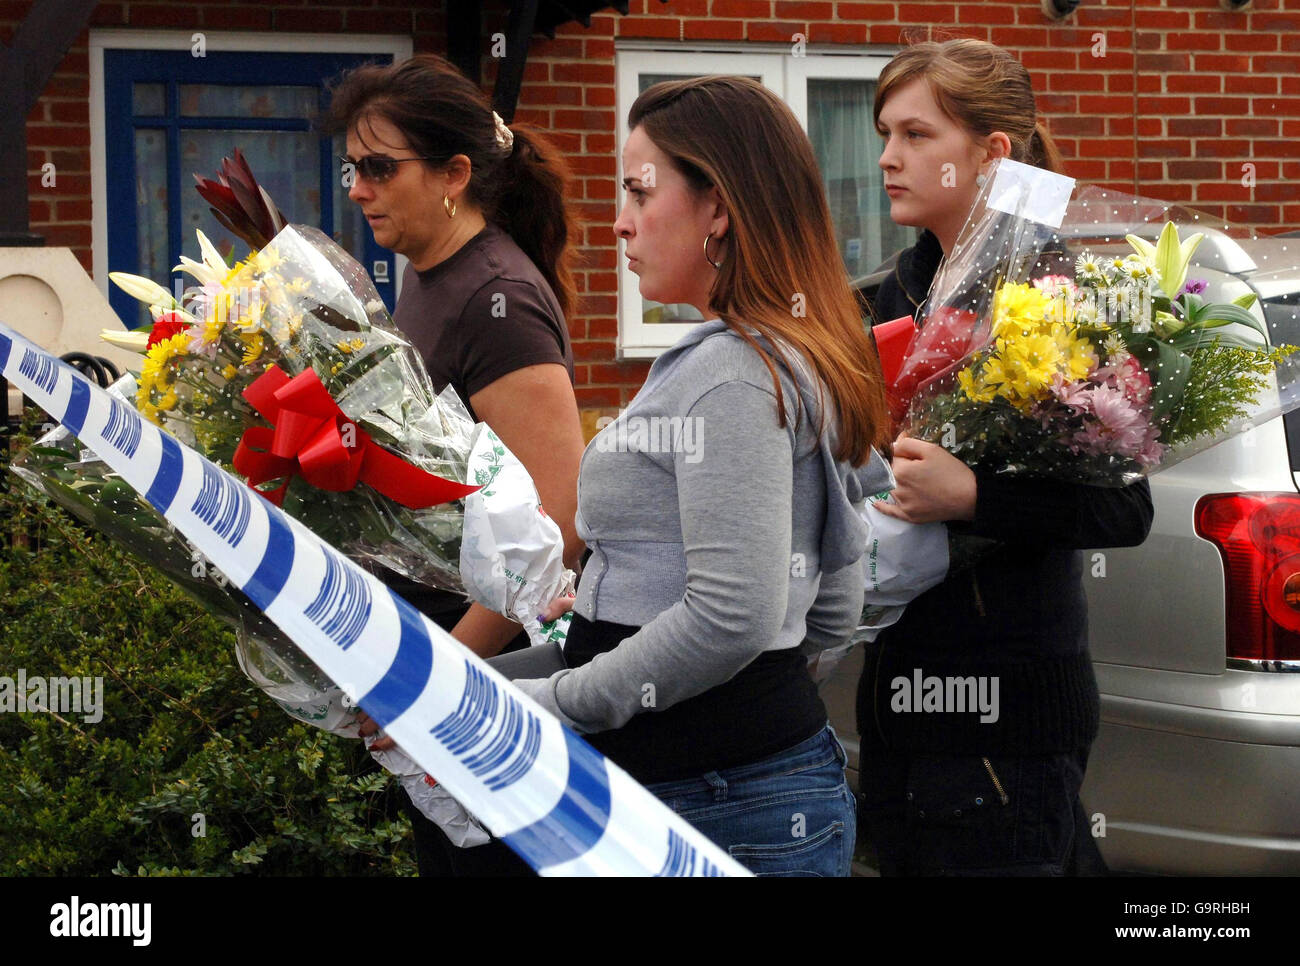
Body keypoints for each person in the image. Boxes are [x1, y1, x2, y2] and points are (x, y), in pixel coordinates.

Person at [513, 76, 894, 877]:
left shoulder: (733, 373)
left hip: (715, 797)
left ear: (718, 206)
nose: (618, 222)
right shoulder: (774, 350)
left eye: (638, 191)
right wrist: (610, 600)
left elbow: (733, 616)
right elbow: (831, 591)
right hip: (740, 781)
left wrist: (555, 703)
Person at [857, 38, 1153, 876]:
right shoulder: (904, 284)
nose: (887, 158)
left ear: (993, 154)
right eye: (884, 133)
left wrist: (974, 495)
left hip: (1007, 719)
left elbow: (1124, 508)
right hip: (899, 697)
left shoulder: (1052, 293)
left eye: (917, 135)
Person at [320, 54, 586, 876]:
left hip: (484, 688)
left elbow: (563, 525)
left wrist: (438, 681)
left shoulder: (494, 298)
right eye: (351, 168)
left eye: (378, 167)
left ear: (454, 174)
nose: (358, 189)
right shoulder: (430, 279)